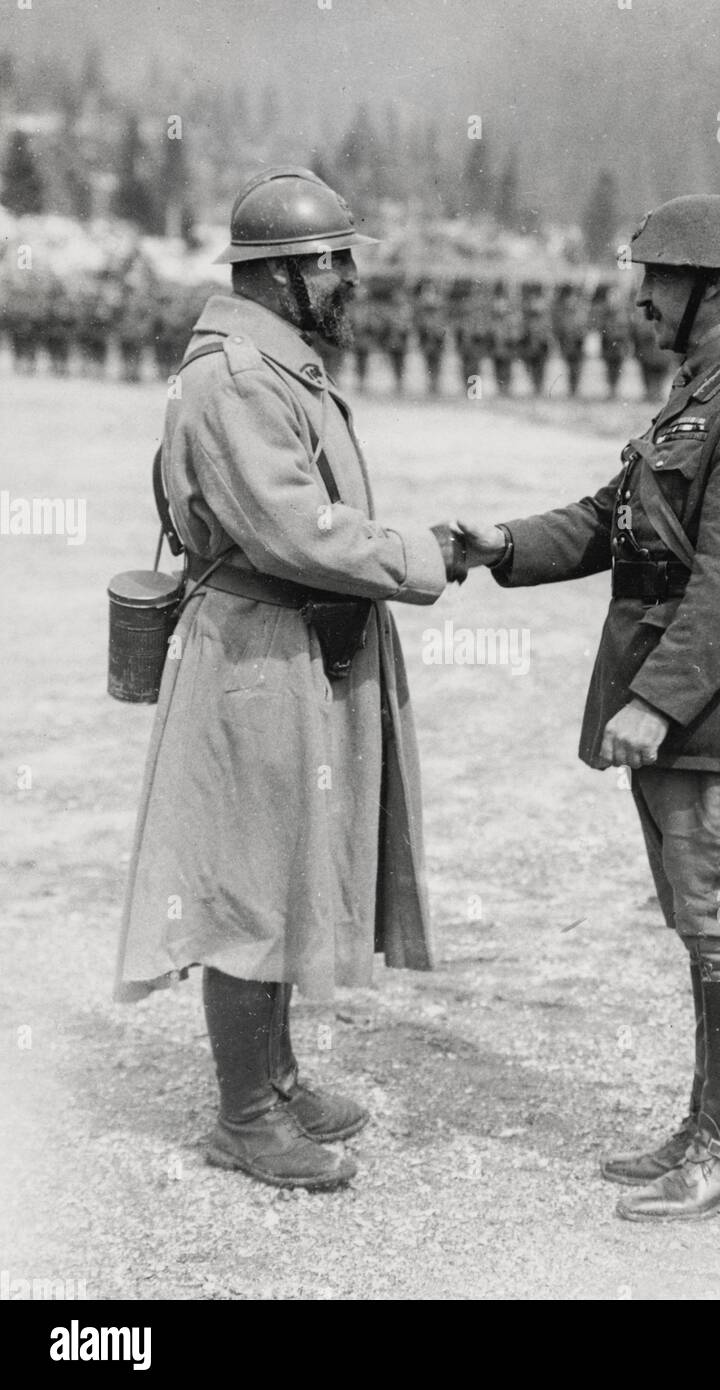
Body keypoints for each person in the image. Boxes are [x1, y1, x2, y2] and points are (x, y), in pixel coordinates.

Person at [457, 194, 720, 1222]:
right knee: (704, 926)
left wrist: (655, 703)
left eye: (653, 280)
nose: (638, 298)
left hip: (711, 715)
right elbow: (617, 522)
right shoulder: (699, 395)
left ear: (704, 288)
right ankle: (709, 1127)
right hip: (683, 713)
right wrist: (505, 545)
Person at [115, 166, 466, 1192]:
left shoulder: (275, 364)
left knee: (283, 863)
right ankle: (244, 1113)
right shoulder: (234, 376)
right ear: (284, 274)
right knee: (247, 878)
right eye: (336, 263)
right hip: (256, 652)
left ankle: (272, 1074)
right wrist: (421, 553)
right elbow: (292, 527)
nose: (352, 281)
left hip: (287, 646)